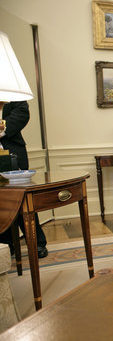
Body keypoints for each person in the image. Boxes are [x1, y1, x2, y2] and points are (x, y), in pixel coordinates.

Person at [0, 101, 48, 258]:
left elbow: (22, 113)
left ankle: (36, 242)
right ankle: (7, 245)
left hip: (13, 150)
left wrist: (2, 128)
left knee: (21, 198)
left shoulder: (12, 89)